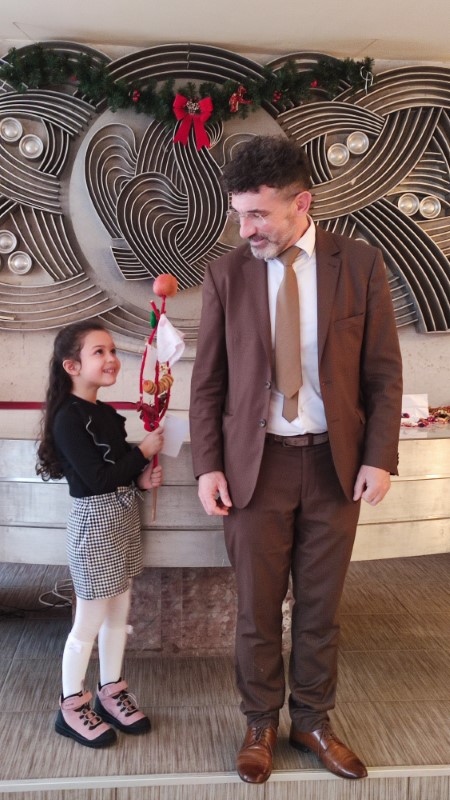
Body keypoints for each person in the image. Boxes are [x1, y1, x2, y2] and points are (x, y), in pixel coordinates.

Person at [189, 136, 402, 783]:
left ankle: (312, 720)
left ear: (301, 203)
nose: (245, 229)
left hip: (335, 467)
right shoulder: (227, 275)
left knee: (320, 608)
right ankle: (259, 723)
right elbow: (209, 382)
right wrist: (208, 465)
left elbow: (383, 373)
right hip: (256, 469)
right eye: (239, 214)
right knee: (256, 609)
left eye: (258, 215)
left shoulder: (359, 264)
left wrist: (379, 456)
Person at [36, 321, 164, 748]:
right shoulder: (67, 419)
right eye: (99, 352)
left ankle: (111, 691)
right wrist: (142, 454)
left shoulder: (105, 414)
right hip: (94, 525)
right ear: (72, 366)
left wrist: (140, 478)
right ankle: (71, 706)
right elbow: (96, 480)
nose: (111, 359)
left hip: (122, 519)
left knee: (118, 615)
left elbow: (119, 470)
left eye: (112, 351)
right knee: (88, 621)